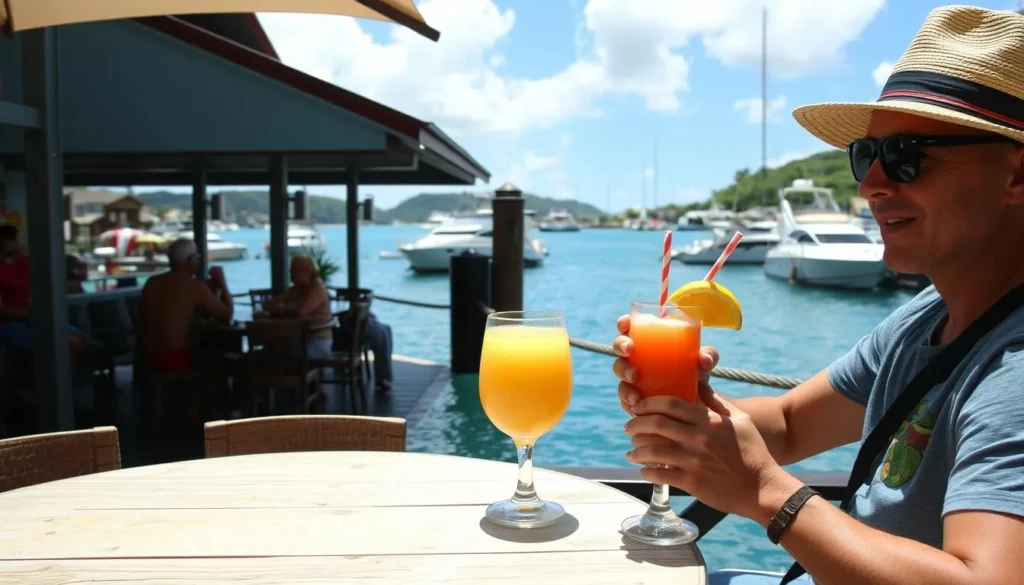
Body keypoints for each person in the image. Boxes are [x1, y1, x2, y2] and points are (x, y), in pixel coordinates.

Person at [612, 7, 1024, 585]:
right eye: (866, 155)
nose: (870, 185)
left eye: (906, 156)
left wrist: (765, 492)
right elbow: (788, 423)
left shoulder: (1014, 368)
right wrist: (687, 412)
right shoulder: (929, 316)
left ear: (1016, 175)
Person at [139, 238, 234, 373]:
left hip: (148, 360)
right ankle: (216, 393)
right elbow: (227, 316)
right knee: (231, 360)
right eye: (197, 257)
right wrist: (222, 281)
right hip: (177, 359)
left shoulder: (151, 283)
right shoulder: (193, 286)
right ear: (191, 260)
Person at [0, 224, 91, 359]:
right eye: (8, 239)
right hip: (9, 322)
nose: (12, 242)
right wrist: (29, 314)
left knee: (83, 339)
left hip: (32, 317)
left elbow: (44, 279)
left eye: (13, 239)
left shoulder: (21, 262)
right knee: (68, 344)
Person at [263, 254, 334, 358]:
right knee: (270, 350)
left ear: (307, 271)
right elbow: (269, 305)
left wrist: (281, 309)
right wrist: (282, 305)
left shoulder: (317, 289)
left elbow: (300, 311)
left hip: (317, 342)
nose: (291, 274)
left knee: (274, 354)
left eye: (294, 270)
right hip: (301, 340)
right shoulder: (297, 289)